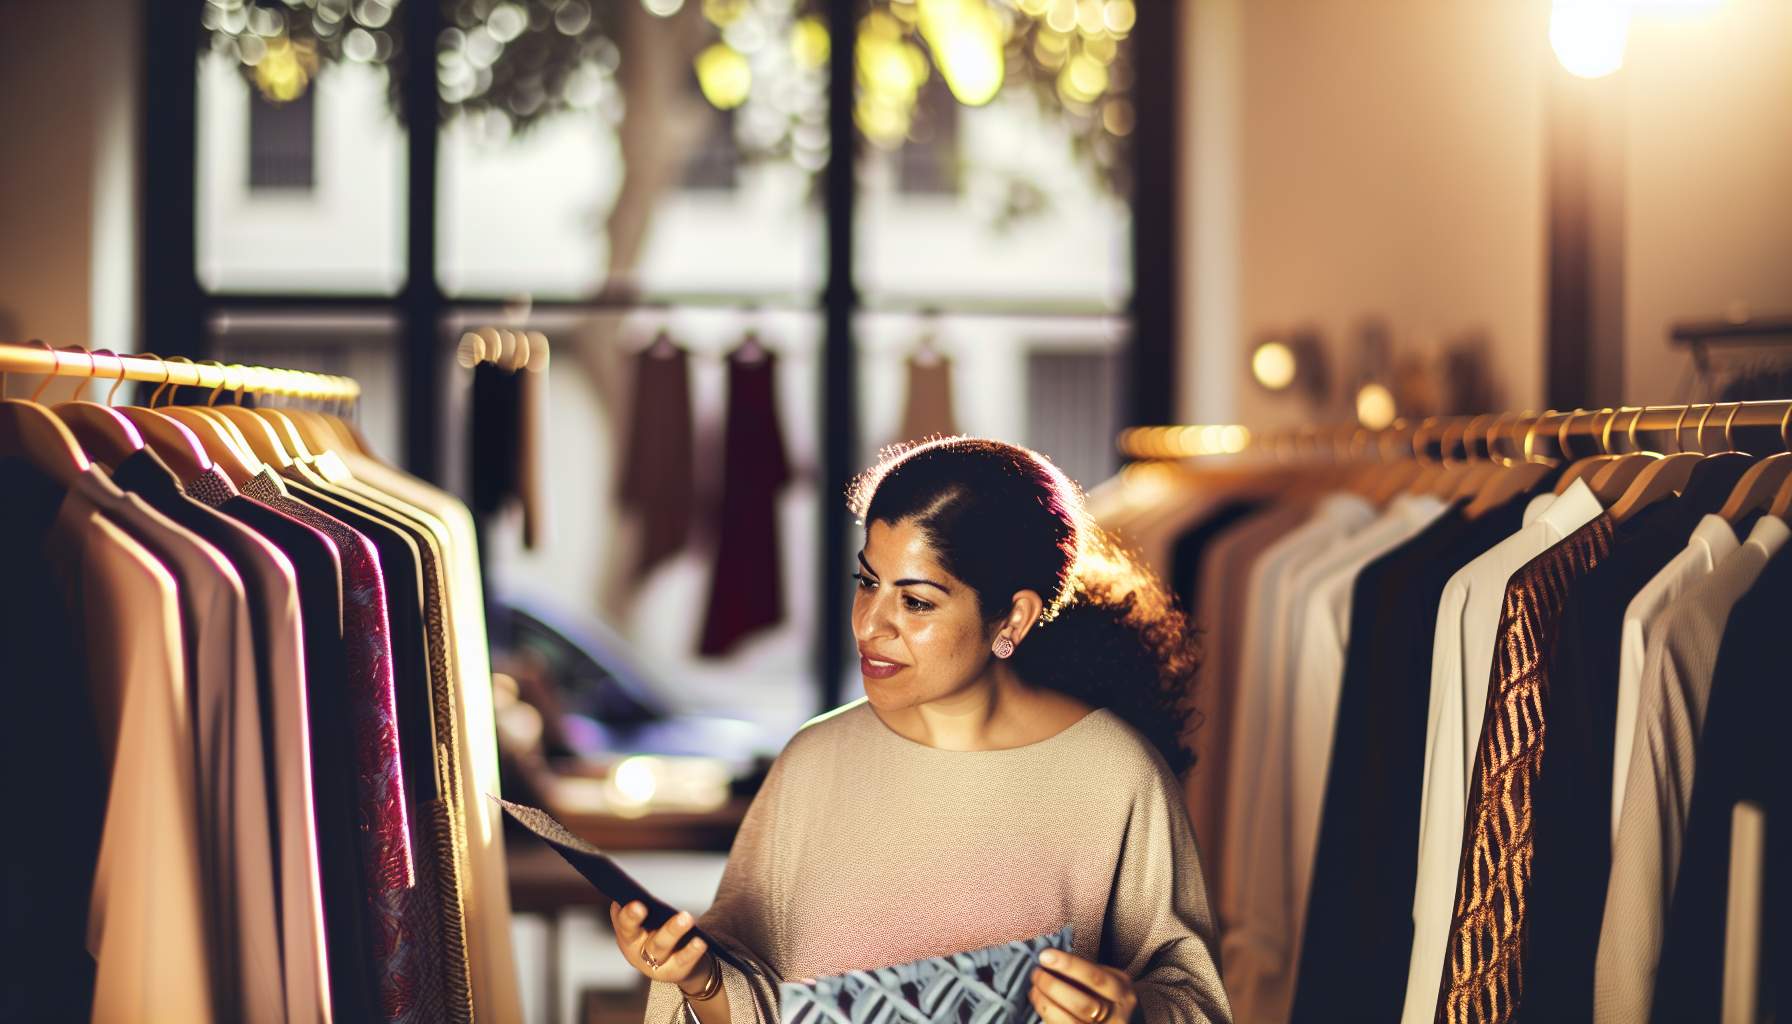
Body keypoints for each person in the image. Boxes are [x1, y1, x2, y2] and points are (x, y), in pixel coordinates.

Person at [611, 437, 1232, 1024]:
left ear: (1013, 616)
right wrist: (700, 981)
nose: (868, 625)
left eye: (916, 602)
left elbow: (1195, 1001)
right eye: (866, 582)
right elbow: (764, 1005)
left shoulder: (1115, 776)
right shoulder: (814, 762)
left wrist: (1122, 1013)